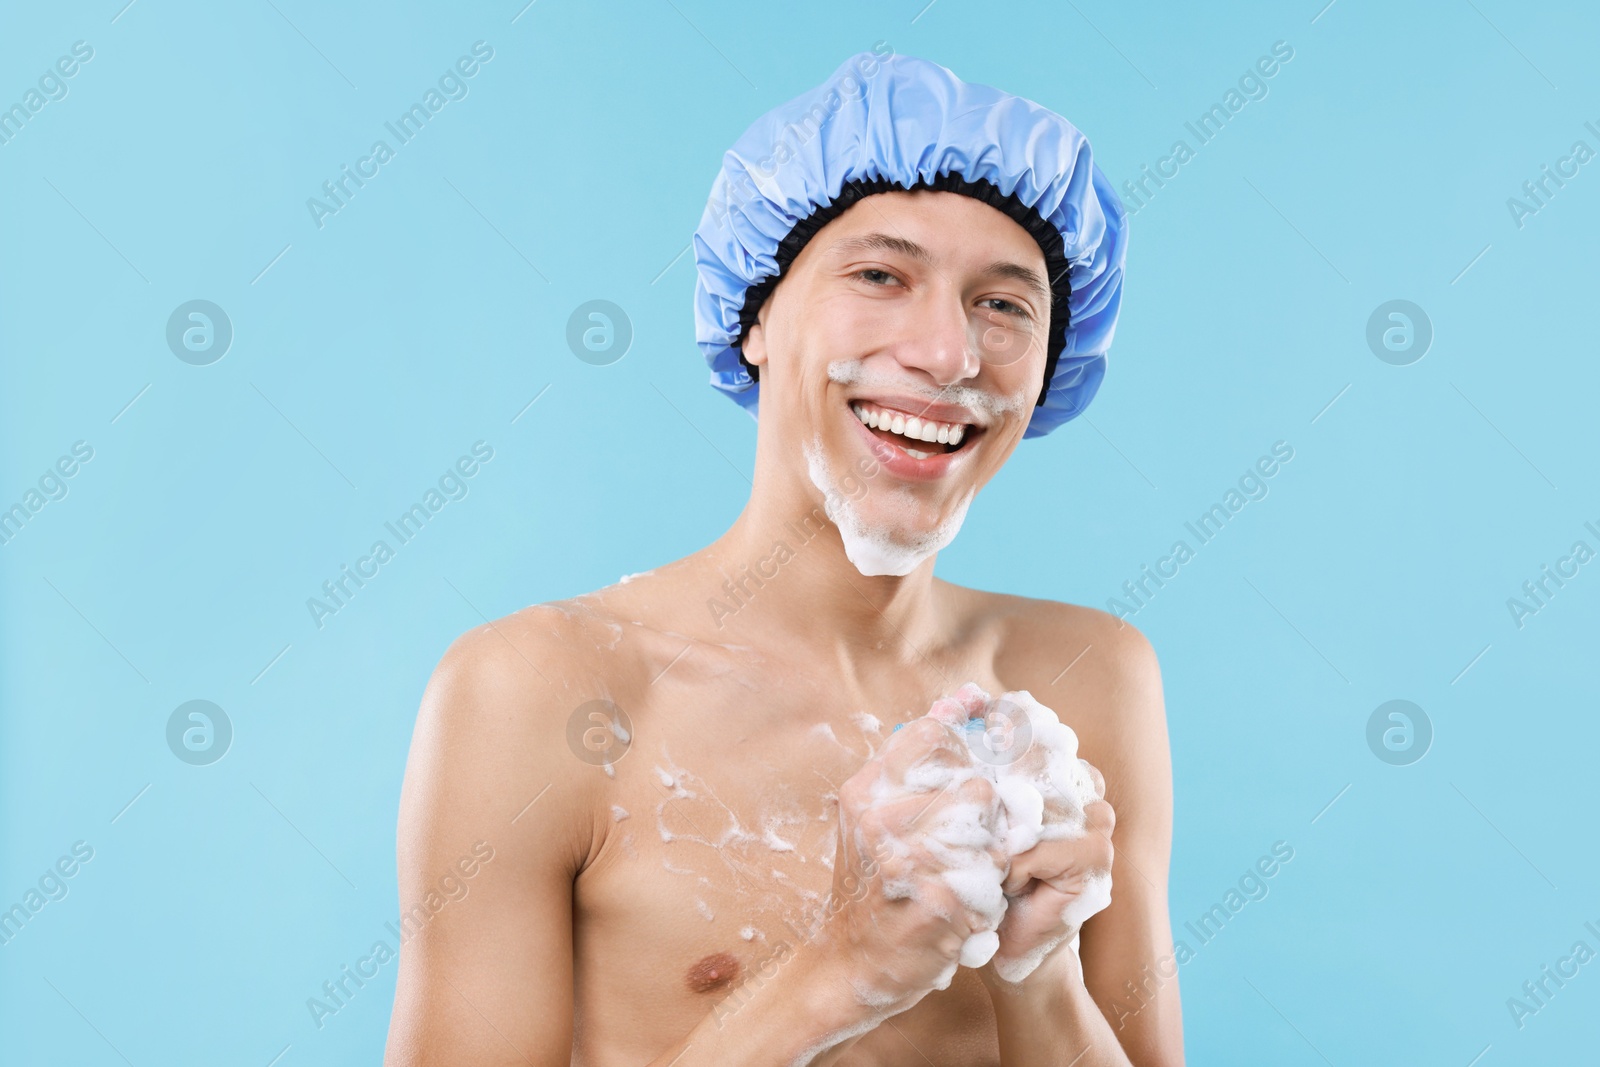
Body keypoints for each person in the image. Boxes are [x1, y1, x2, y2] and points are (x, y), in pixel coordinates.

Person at [385, 50, 1181, 1066]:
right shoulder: (538, 690)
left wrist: (1039, 976)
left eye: (1004, 304)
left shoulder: (1090, 677)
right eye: (881, 275)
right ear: (755, 314)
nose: (948, 353)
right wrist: (833, 974)